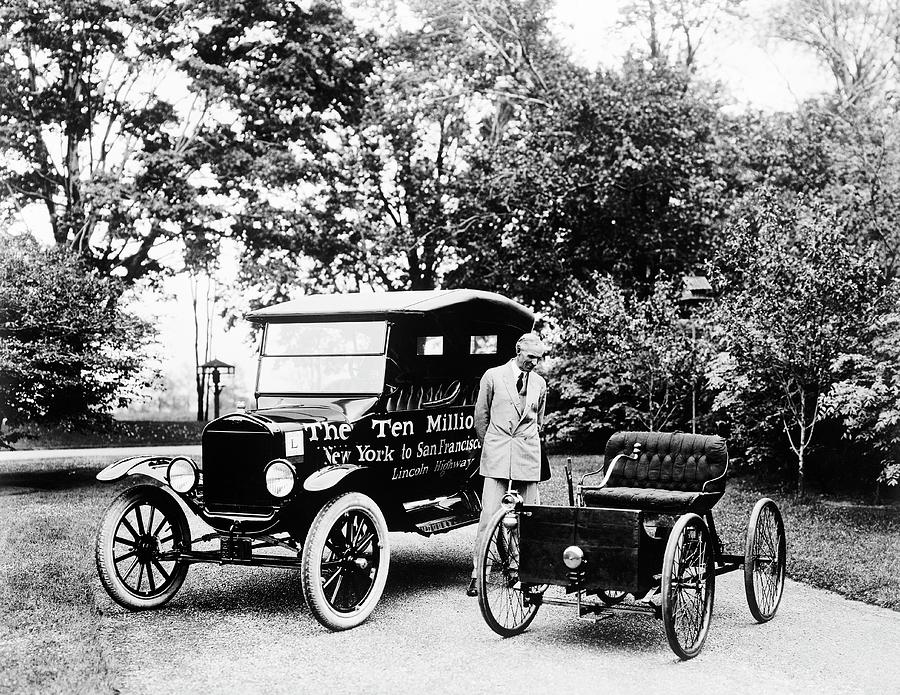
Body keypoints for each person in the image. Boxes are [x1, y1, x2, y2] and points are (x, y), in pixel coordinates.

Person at [466, 331, 548, 596]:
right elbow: (481, 417)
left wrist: (528, 442)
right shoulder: (492, 376)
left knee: (529, 517)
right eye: (530, 357)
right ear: (518, 351)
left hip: (527, 453)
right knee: (489, 515)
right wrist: (492, 444)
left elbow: (539, 421)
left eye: (538, 358)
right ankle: (479, 574)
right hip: (498, 451)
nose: (533, 363)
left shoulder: (539, 383)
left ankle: (522, 570)